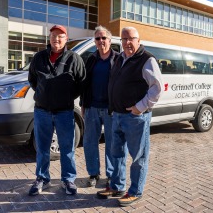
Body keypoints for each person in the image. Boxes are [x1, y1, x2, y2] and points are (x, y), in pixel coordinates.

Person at [97, 26, 163, 206]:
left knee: (138, 156)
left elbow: (157, 89)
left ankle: (135, 190)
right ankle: (117, 186)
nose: (127, 43)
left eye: (131, 39)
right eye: (123, 39)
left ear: (138, 40)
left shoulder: (146, 60)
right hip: (117, 115)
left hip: (135, 118)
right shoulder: (120, 58)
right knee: (116, 153)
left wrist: (140, 107)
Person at [28, 25, 86, 196]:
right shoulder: (39, 57)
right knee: (43, 148)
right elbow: (32, 80)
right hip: (42, 111)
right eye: (54, 36)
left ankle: (68, 180)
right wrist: (43, 94)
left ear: (66, 39)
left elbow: (81, 83)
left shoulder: (74, 58)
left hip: (65, 112)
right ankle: (42, 178)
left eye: (60, 36)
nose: (57, 39)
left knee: (67, 149)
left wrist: (66, 96)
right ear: (49, 38)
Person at [80, 26, 119, 187]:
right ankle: (93, 173)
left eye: (104, 38)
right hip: (92, 108)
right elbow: (85, 82)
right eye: (98, 38)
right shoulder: (91, 59)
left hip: (111, 109)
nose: (101, 41)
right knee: (89, 142)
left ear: (109, 41)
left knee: (111, 142)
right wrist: (83, 103)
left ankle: (110, 175)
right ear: (95, 42)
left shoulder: (118, 59)